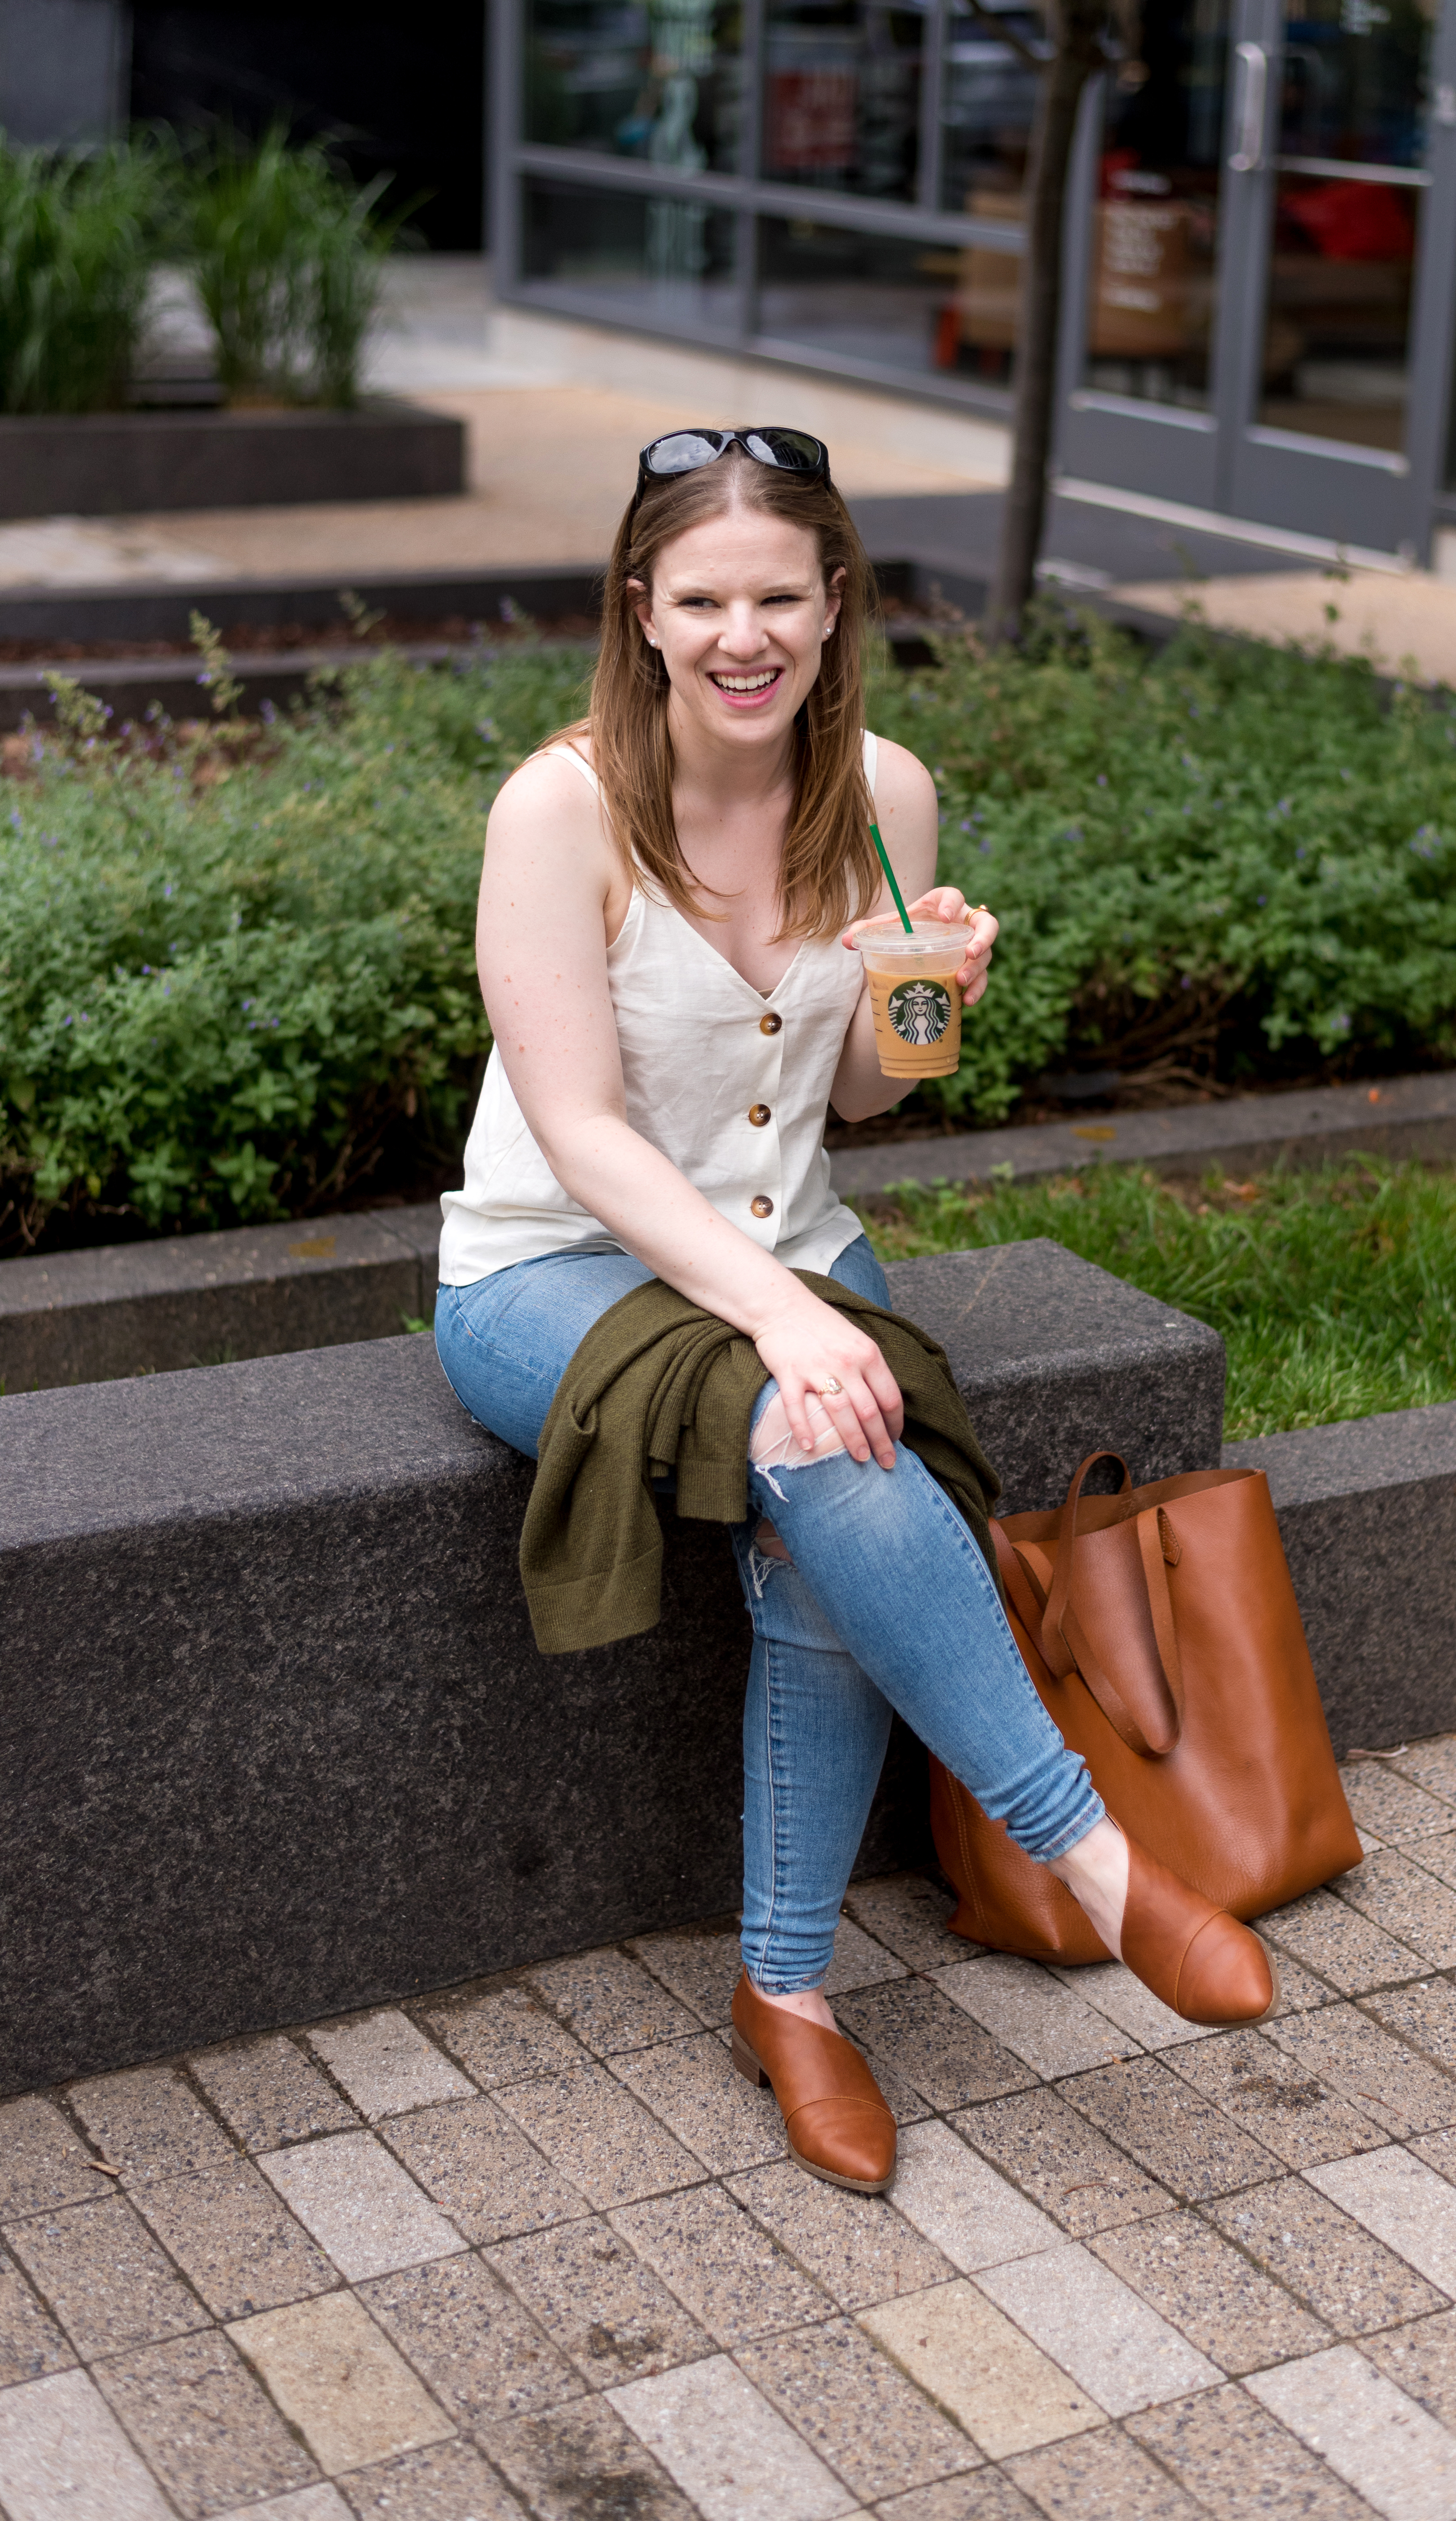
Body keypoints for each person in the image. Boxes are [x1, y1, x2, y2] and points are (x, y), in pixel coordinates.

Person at [434, 426, 1272, 2194]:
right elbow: (581, 1131)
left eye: (778, 600)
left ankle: (787, 1994)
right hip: (553, 1267)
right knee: (814, 1418)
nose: (743, 637)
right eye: (703, 600)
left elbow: (866, 1106)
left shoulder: (880, 794)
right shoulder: (560, 808)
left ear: (833, 608)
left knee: (836, 1488)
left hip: (791, 1244)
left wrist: (931, 998)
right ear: (642, 611)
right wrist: (780, 1326)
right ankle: (1091, 1854)